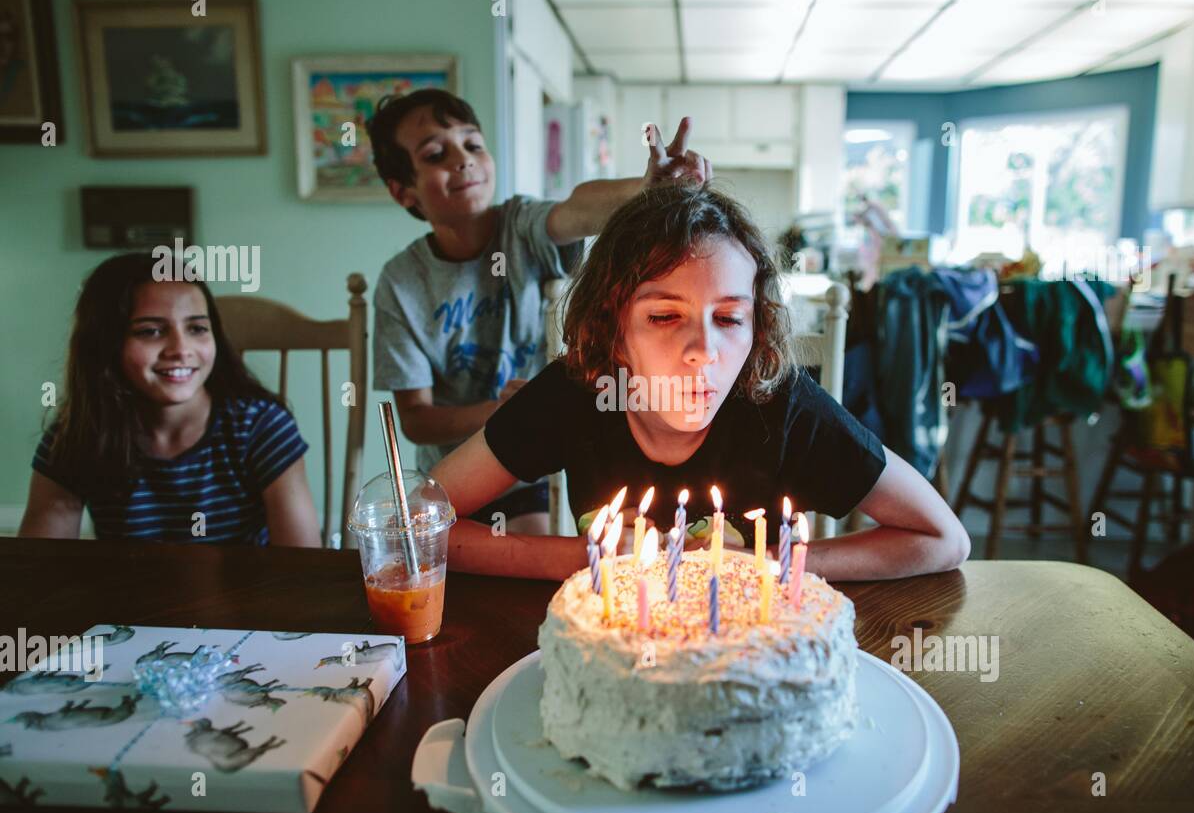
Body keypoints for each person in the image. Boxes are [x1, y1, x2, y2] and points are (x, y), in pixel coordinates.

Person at [428, 181, 970, 581]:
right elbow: (419, 523)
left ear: (756, 328)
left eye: (730, 318)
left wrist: (772, 563)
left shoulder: (782, 407)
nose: (704, 353)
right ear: (612, 330)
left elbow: (943, 538)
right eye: (664, 317)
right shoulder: (576, 391)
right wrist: (581, 556)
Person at [365, 87, 709, 533]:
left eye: (473, 144)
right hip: (445, 474)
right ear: (403, 192)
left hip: (528, 466)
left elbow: (575, 211)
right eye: (435, 155)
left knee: (522, 555)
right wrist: (501, 409)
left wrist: (643, 191)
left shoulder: (521, 226)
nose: (463, 160)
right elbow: (415, 419)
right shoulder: (401, 282)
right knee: (422, 556)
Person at [19, 252, 320, 546]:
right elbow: (42, 563)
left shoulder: (261, 427)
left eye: (197, 328)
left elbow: (301, 566)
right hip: (129, 593)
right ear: (105, 344)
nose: (180, 348)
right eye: (151, 331)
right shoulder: (79, 433)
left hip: (246, 595)